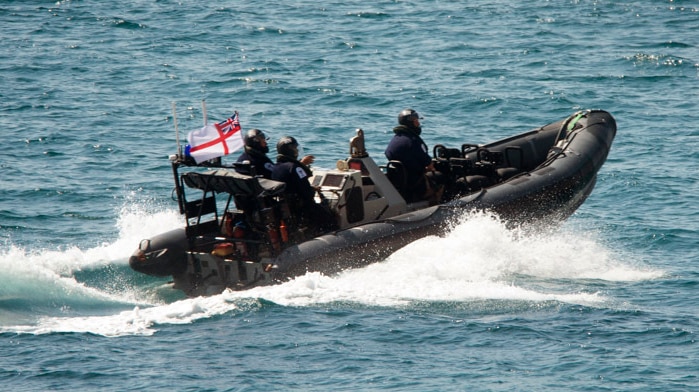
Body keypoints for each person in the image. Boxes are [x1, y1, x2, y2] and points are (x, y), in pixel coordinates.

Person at [271, 136, 337, 234]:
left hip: (285, 209)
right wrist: (314, 190)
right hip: (301, 209)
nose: (297, 151)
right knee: (329, 217)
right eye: (295, 148)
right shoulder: (295, 168)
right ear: (291, 150)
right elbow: (307, 193)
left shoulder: (275, 168)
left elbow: (290, 186)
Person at [384, 108, 443, 203]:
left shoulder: (394, 140)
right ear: (411, 124)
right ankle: (443, 203)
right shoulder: (414, 141)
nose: (418, 124)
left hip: (400, 183)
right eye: (416, 122)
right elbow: (430, 166)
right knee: (441, 176)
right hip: (416, 184)